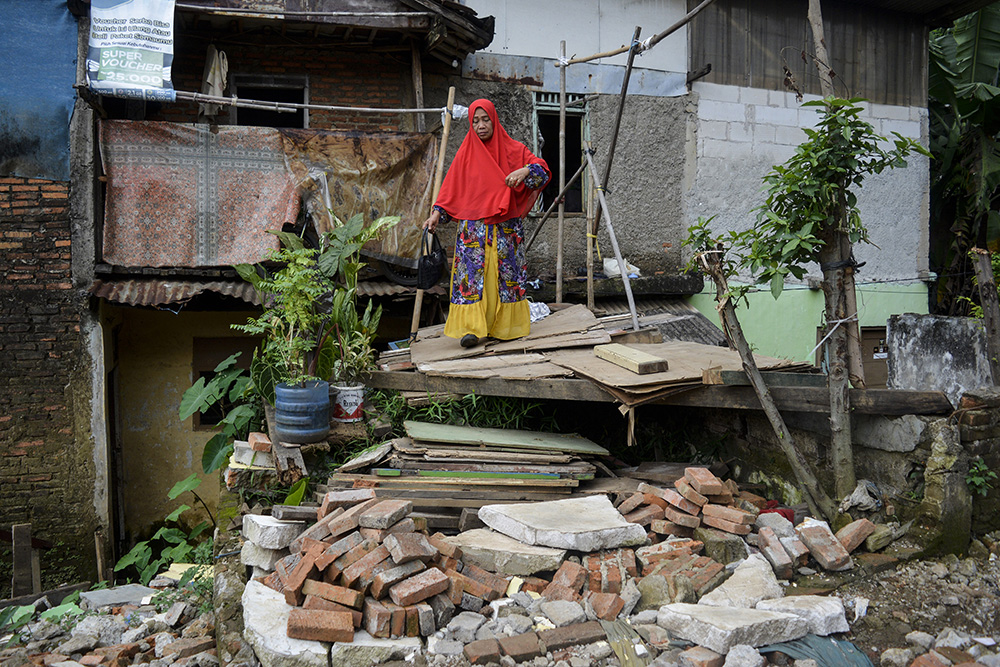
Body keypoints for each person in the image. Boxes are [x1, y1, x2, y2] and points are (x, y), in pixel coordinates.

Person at [423, 99, 550, 348]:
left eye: (485, 119)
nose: (481, 125)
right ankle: (471, 329)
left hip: (505, 231)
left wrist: (524, 172)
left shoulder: (513, 150)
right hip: (474, 232)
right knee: (471, 280)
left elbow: (542, 171)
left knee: (506, 279)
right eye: (475, 121)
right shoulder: (465, 154)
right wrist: (437, 213)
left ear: (494, 119)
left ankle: (505, 327)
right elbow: (452, 191)